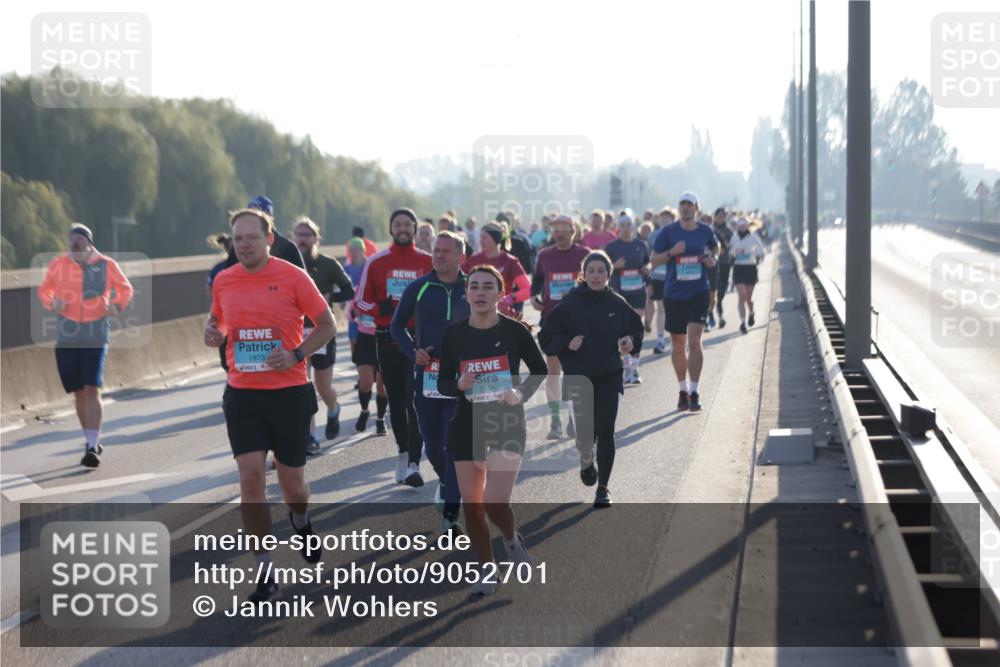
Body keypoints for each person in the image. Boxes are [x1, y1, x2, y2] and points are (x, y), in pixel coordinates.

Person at [204, 206, 335, 603]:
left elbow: (327, 325)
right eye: (238, 239)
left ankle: (301, 519)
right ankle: (265, 571)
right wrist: (213, 332)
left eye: (252, 237)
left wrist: (296, 355)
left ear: (269, 240)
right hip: (243, 393)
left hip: (289, 393)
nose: (244, 245)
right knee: (250, 479)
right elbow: (218, 321)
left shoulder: (293, 276)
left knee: (292, 484)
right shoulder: (224, 280)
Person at [436, 265, 547, 596]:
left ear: (500, 294)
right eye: (474, 287)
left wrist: (520, 394)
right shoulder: (454, 334)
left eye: (488, 287)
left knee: (495, 503)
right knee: (473, 505)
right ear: (466, 294)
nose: (480, 292)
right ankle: (487, 569)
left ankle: (511, 539)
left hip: (505, 422)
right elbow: (443, 382)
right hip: (466, 424)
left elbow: (540, 370)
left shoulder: (514, 331)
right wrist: (458, 384)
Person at [539, 251, 643, 508]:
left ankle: (603, 488)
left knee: (606, 430)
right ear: (584, 274)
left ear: (608, 274)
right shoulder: (570, 303)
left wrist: (630, 341)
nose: (596, 276)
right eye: (591, 271)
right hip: (579, 377)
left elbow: (635, 328)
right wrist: (566, 343)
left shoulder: (616, 303)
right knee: (585, 436)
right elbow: (546, 336)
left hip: (609, 374)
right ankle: (586, 459)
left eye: (601, 271)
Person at [391, 231, 470, 533]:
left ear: (461, 256)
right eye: (436, 250)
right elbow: (397, 327)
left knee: (453, 446)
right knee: (433, 446)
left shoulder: (472, 286)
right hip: (427, 379)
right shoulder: (419, 287)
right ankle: (446, 482)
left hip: (463, 382)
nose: (438, 256)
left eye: (446, 251)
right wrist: (413, 352)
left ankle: (450, 516)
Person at [37, 223, 134, 468]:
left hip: (95, 333)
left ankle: (92, 446)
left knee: (92, 388)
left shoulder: (106, 264)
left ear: (89, 243)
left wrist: (116, 306)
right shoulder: (58, 265)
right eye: (72, 241)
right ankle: (90, 438)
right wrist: (52, 303)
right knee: (78, 392)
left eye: (79, 240)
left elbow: (125, 289)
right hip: (68, 335)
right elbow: (44, 290)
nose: (75, 245)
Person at [355, 208, 433, 487]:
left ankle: (414, 463)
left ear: (414, 229)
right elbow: (360, 301)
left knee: (416, 401)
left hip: (418, 340)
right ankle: (403, 454)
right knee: (397, 402)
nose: (402, 229)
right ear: (391, 229)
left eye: (407, 224)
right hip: (387, 338)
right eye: (397, 224)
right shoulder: (376, 262)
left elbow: (439, 295)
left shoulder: (427, 261)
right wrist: (382, 309)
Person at [650, 192, 718, 412]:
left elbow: (715, 248)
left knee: (695, 341)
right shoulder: (668, 232)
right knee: (678, 344)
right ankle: (682, 390)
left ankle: (695, 391)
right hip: (674, 295)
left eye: (690, 204)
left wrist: (712, 258)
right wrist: (672, 252)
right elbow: (653, 259)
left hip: (699, 292)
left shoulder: (705, 231)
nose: (686, 208)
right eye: (682, 205)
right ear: (679, 208)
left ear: (696, 208)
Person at [293, 217, 355, 448]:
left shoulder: (328, 264)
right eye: (299, 235)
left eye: (307, 235)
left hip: (322, 330)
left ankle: (333, 407)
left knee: (322, 386)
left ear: (316, 238)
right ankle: (310, 435)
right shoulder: (288, 265)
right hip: (296, 330)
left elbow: (349, 291)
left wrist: (331, 297)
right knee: (303, 383)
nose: (303, 239)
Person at [530, 215, 590, 439]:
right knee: (553, 370)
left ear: (573, 232)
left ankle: (573, 418)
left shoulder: (584, 254)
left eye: (564, 230)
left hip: (577, 320)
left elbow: (595, 283)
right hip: (551, 320)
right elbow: (537, 280)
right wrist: (534, 297)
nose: (559, 234)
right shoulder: (544, 255)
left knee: (574, 371)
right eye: (555, 230)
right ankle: (555, 421)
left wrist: (576, 293)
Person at [345, 238, 388, 435]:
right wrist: (355, 313)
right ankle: (364, 411)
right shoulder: (361, 289)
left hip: (384, 338)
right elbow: (351, 311)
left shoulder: (390, 290)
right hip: (365, 338)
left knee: (382, 385)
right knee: (364, 383)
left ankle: (380, 419)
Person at [603, 213, 650, 384]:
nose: (626, 228)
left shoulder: (641, 245)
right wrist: (615, 266)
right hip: (618, 293)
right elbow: (601, 268)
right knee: (622, 331)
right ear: (618, 228)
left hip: (637, 292)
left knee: (635, 329)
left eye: (628, 224)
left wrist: (647, 268)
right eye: (622, 225)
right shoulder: (611, 247)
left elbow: (647, 262)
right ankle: (627, 366)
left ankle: (635, 369)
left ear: (633, 226)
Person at [462, 221, 531, 316]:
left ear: (495, 238)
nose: (481, 241)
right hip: (476, 314)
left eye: (484, 237)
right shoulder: (473, 260)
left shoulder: (510, 261)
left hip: (502, 315)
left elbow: (528, 289)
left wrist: (509, 298)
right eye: (480, 237)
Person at [729, 217, 767, 334]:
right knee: (742, 296)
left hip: (750, 268)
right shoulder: (734, 237)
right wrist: (732, 256)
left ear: (747, 226)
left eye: (744, 226)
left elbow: (761, 250)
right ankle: (742, 323)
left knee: (748, 298)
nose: (742, 228)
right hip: (738, 268)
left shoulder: (753, 237)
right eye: (740, 226)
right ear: (737, 227)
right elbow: (730, 250)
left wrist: (757, 255)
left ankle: (751, 313)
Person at [649, 208, 675, 354]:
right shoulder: (653, 236)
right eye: (662, 219)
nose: (664, 221)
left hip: (674, 277)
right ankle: (660, 340)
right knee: (661, 308)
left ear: (672, 220)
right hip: (658, 277)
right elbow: (648, 257)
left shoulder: (677, 234)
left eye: (667, 219)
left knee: (673, 308)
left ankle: (674, 339)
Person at [709, 207, 734, 329]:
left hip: (725, 263)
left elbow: (732, 246)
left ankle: (717, 313)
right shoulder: (709, 230)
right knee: (713, 291)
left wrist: (724, 246)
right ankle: (716, 316)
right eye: (718, 216)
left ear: (725, 217)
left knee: (722, 291)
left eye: (722, 216)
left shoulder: (728, 231)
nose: (720, 218)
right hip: (712, 265)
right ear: (714, 217)